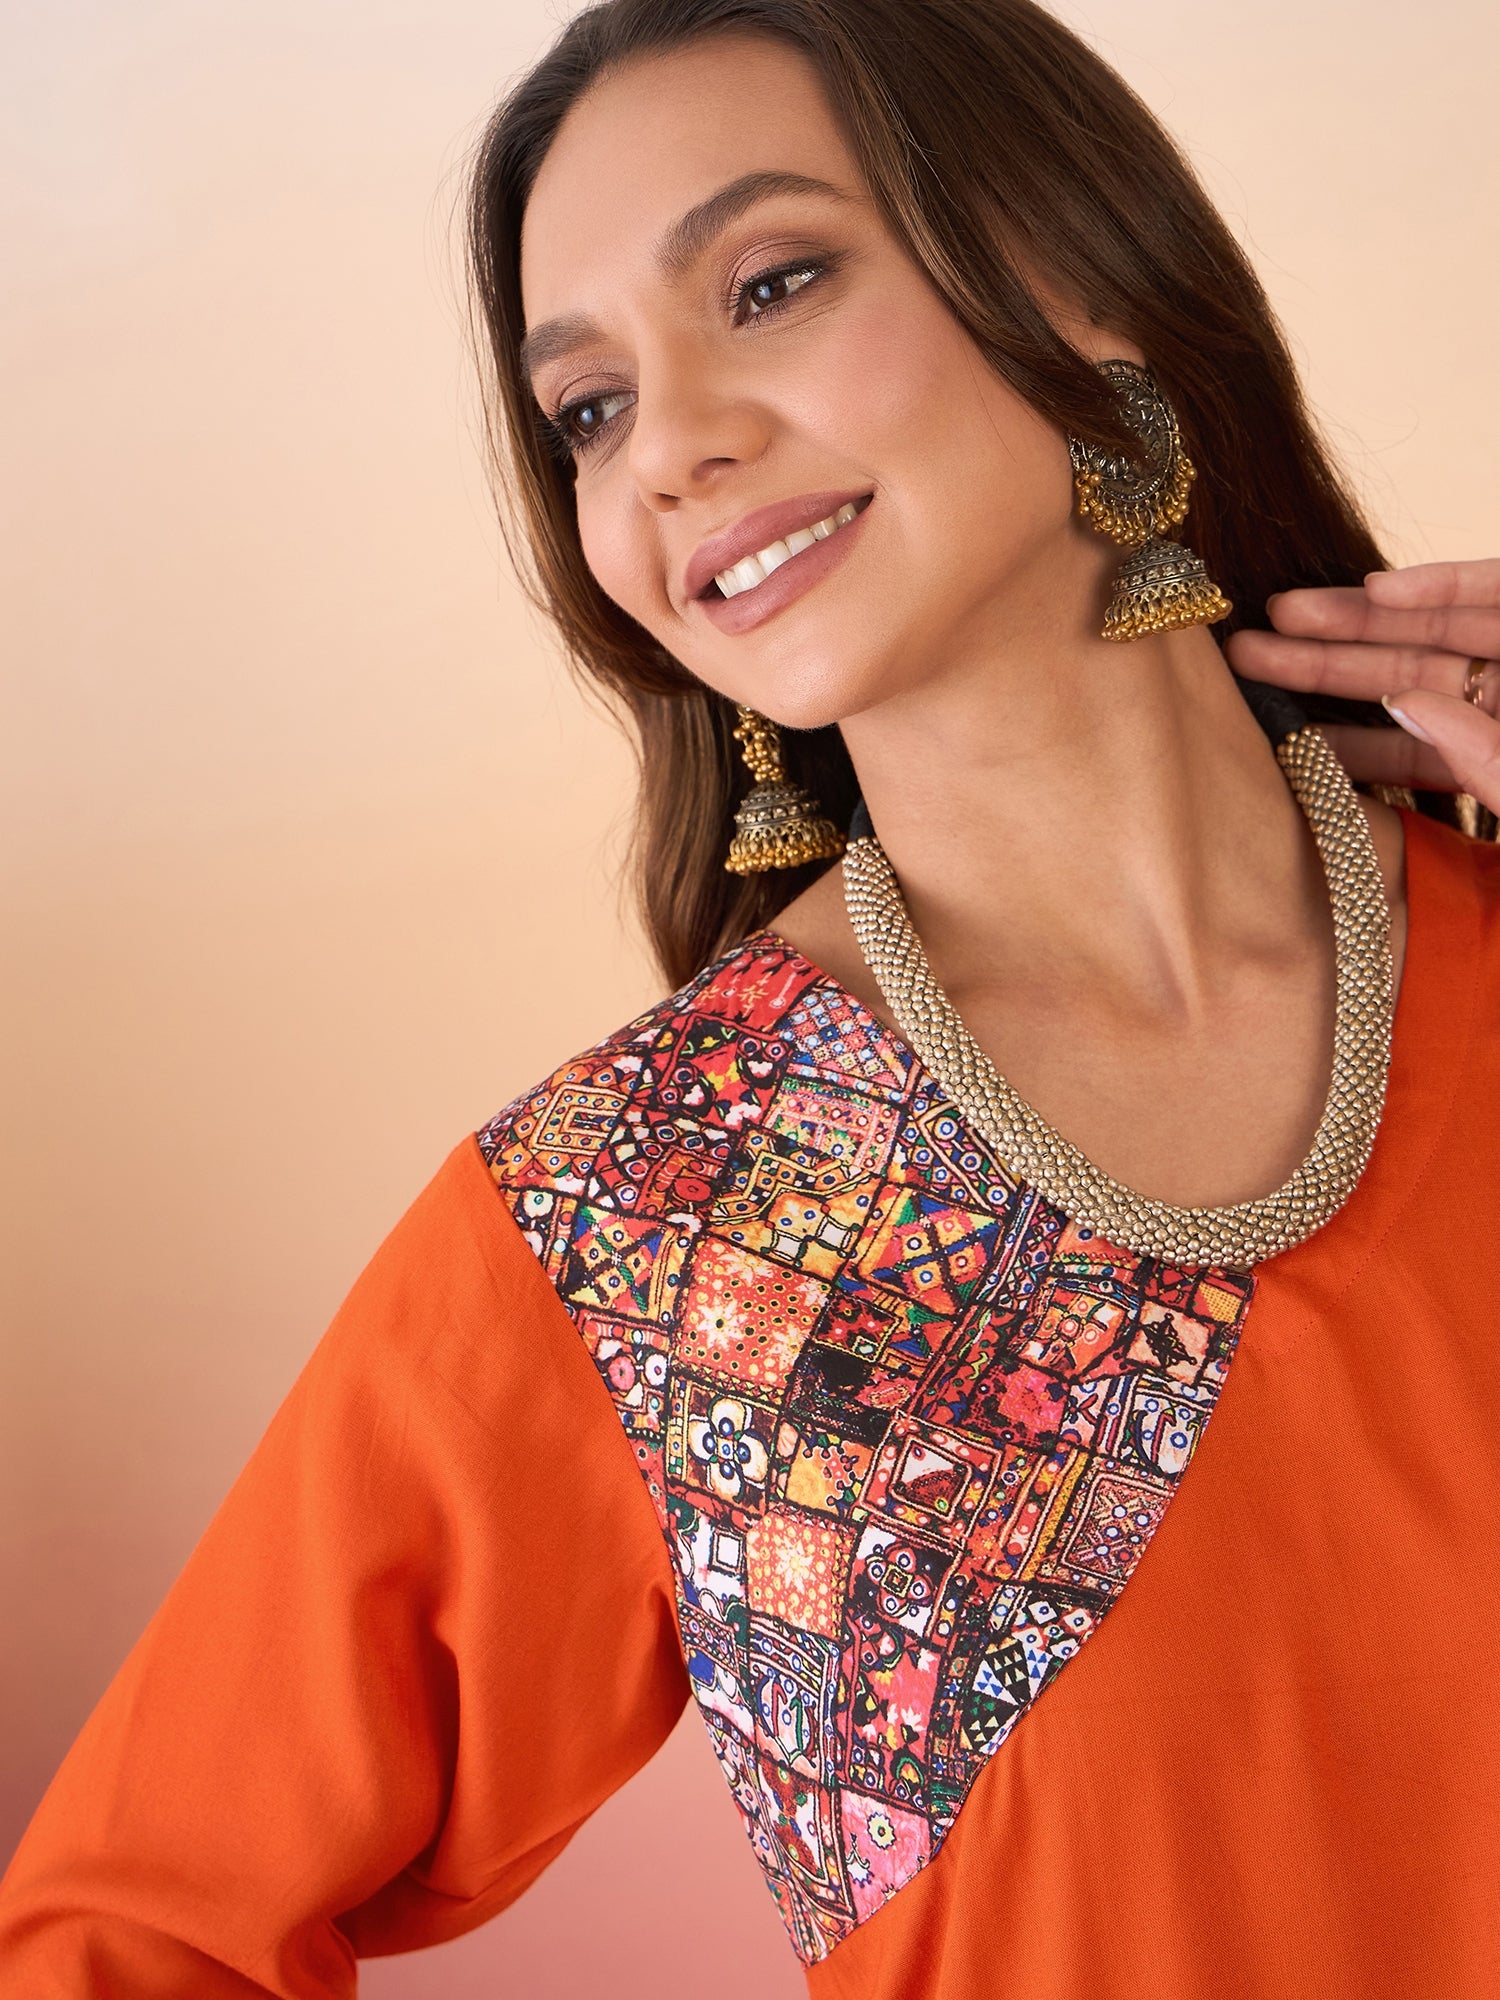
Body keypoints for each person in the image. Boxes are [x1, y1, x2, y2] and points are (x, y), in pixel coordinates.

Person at [2, 1, 1498, 1994]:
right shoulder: (661, 1222)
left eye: (770, 284)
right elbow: (126, 1929)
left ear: (1086, 281)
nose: (671, 448)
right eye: (589, 408)